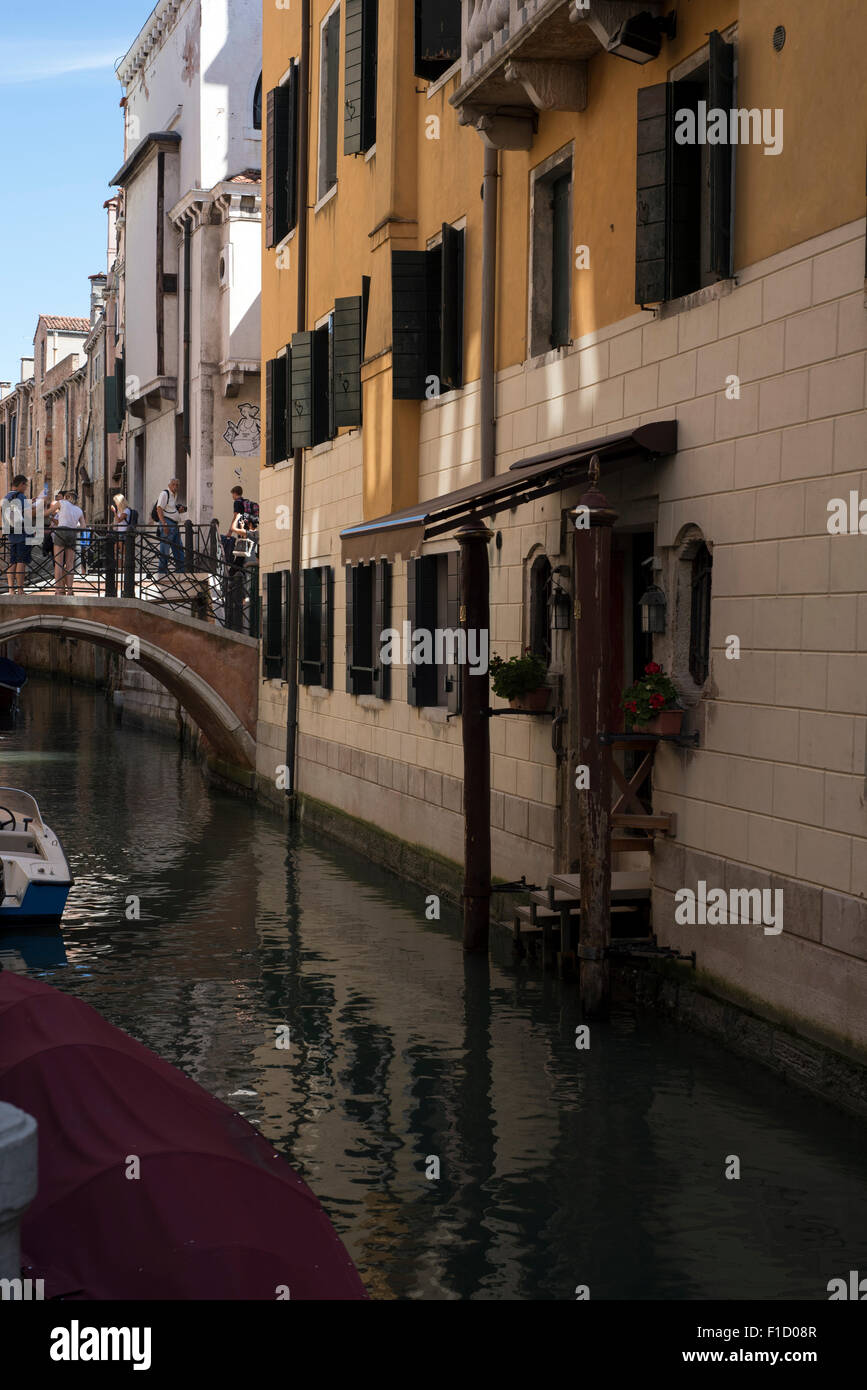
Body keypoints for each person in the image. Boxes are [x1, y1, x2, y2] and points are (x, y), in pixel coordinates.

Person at [3, 476, 47, 595]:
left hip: (11, 533)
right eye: (26, 486)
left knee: (12, 562)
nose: (26, 488)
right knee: (21, 561)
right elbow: (29, 514)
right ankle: (21, 589)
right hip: (22, 533)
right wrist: (40, 505)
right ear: (22, 484)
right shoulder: (21, 496)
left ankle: (12, 589)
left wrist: (30, 502)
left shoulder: (7, 497)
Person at [48, 490, 85, 595]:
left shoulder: (62, 503)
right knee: (70, 564)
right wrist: (75, 530)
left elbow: (48, 512)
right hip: (72, 533)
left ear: (67, 497)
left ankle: (58, 589)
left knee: (59, 563)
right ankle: (69, 589)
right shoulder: (78, 509)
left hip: (61, 532)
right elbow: (83, 526)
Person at [155, 478, 186, 575]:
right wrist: (164, 524)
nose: (175, 487)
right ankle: (162, 573)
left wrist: (178, 510)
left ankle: (180, 572)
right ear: (169, 485)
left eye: (177, 485)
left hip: (174, 524)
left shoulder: (173, 495)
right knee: (165, 550)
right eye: (173, 484)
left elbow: (169, 509)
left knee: (178, 548)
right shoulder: (165, 493)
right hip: (167, 523)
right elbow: (159, 509)